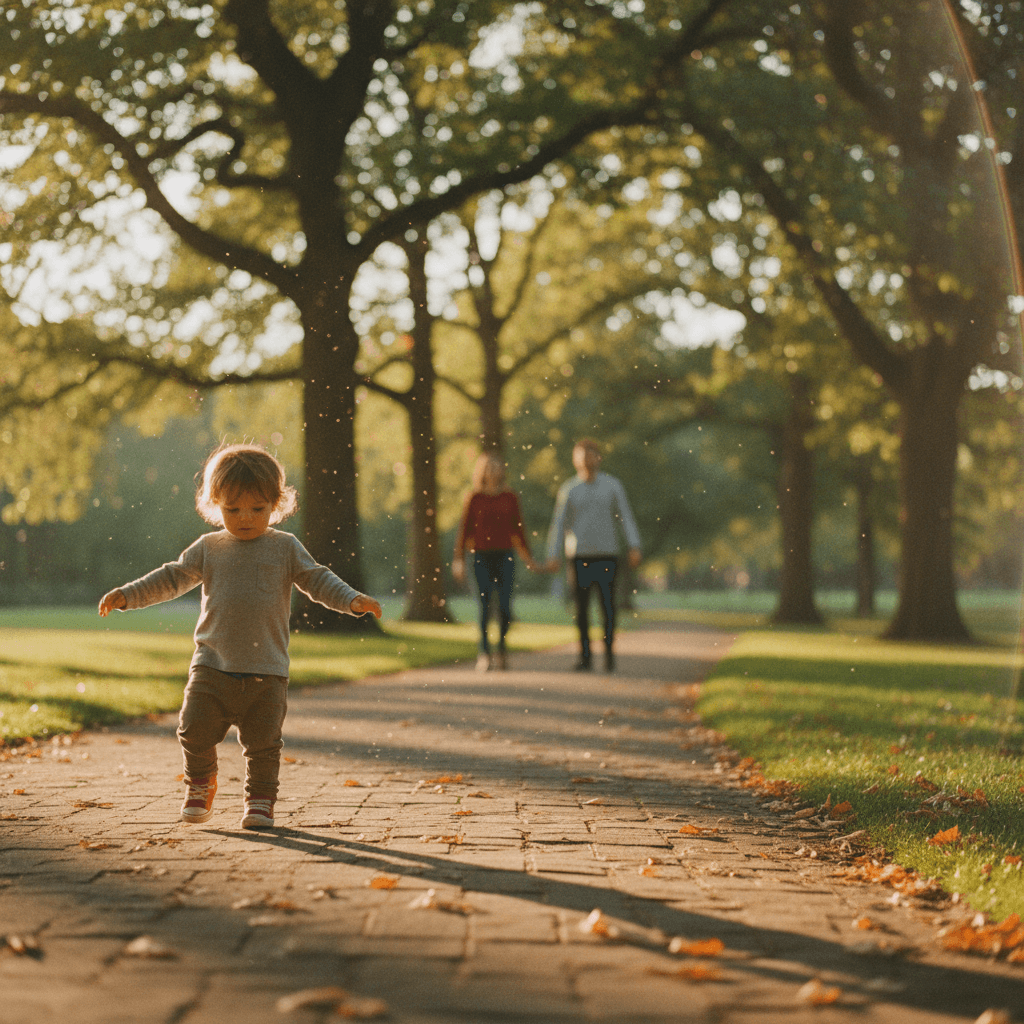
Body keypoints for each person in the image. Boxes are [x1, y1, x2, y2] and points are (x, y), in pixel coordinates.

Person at [98, 442, 382, 830]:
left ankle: (260, 801)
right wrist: (128, 595)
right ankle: (200, 783)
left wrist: (351, 600)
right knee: (192, 729)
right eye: (232, 509)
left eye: (257, 509)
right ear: (214, 504)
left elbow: (317, 580)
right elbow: (170, 578)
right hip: (212, 665)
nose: (245, 518)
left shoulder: (285, 548)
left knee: (264, 745)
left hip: (267, 671)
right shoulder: (209, 548)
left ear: (276, 504)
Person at [545, 438, 641, 672]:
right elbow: (559, 523)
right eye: (581, 455)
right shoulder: (569, 489)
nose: (586, 459)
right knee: (581, 610)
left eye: (590, 454)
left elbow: (625, 516)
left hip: (607, 555)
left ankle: (609, 654)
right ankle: (585, 656)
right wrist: (552, 554)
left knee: (608, 607)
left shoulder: (612, 486)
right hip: (578, 557)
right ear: (575, 459)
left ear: (598, 458)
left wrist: (634, 545)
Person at [453, 452, 538, 671]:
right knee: (483, 606)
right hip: (480, 556)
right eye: (488, 467)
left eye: (496, 466)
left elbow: (518, 529)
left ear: (501, 471)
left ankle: (501, 649)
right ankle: (484, 653)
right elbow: (464, 531)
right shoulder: (474, 498)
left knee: (505, 607)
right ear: (481, 471)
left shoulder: (510, 497)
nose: (492, 470)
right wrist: (458, 560)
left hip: (505, 556)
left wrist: (528, 558)